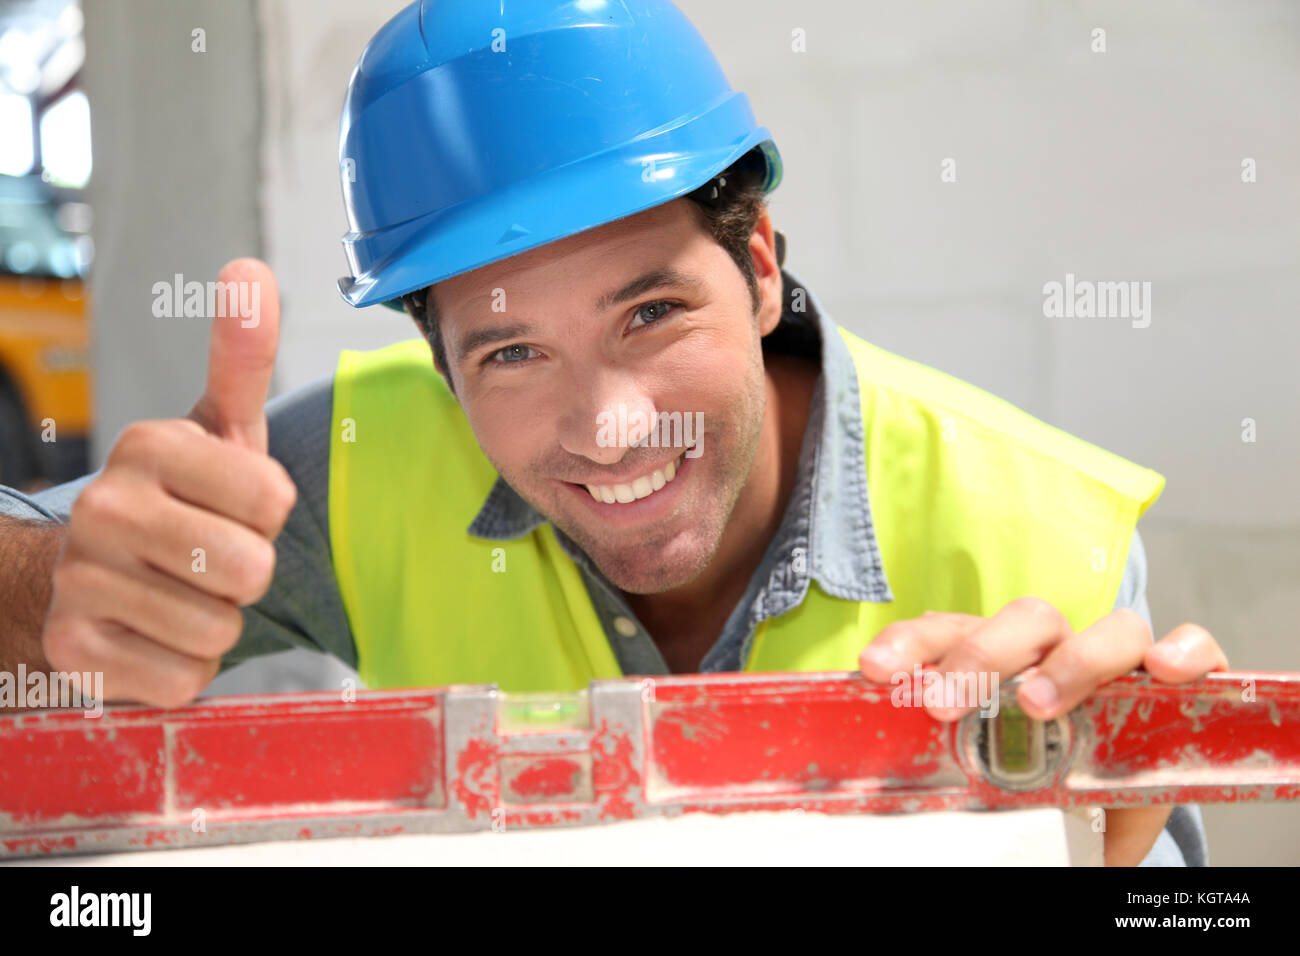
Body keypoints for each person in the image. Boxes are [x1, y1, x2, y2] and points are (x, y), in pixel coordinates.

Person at [0, 0, 1223, 866]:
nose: (608, 426)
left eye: (650, 310)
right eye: (511, 351)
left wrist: (1090, 853)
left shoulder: (1036, 528)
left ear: (755, 267)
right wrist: (59, 590)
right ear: (442, 368)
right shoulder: (363, 463)